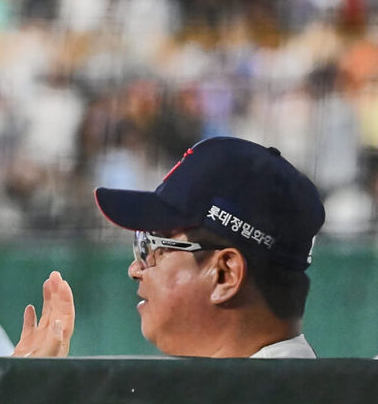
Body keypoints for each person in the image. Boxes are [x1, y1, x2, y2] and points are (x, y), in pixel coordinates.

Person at [94, 136, 325, 358]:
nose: (135, 269)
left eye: (154, 247)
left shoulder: (260, 396)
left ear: (225, 274)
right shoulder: (293, 390)